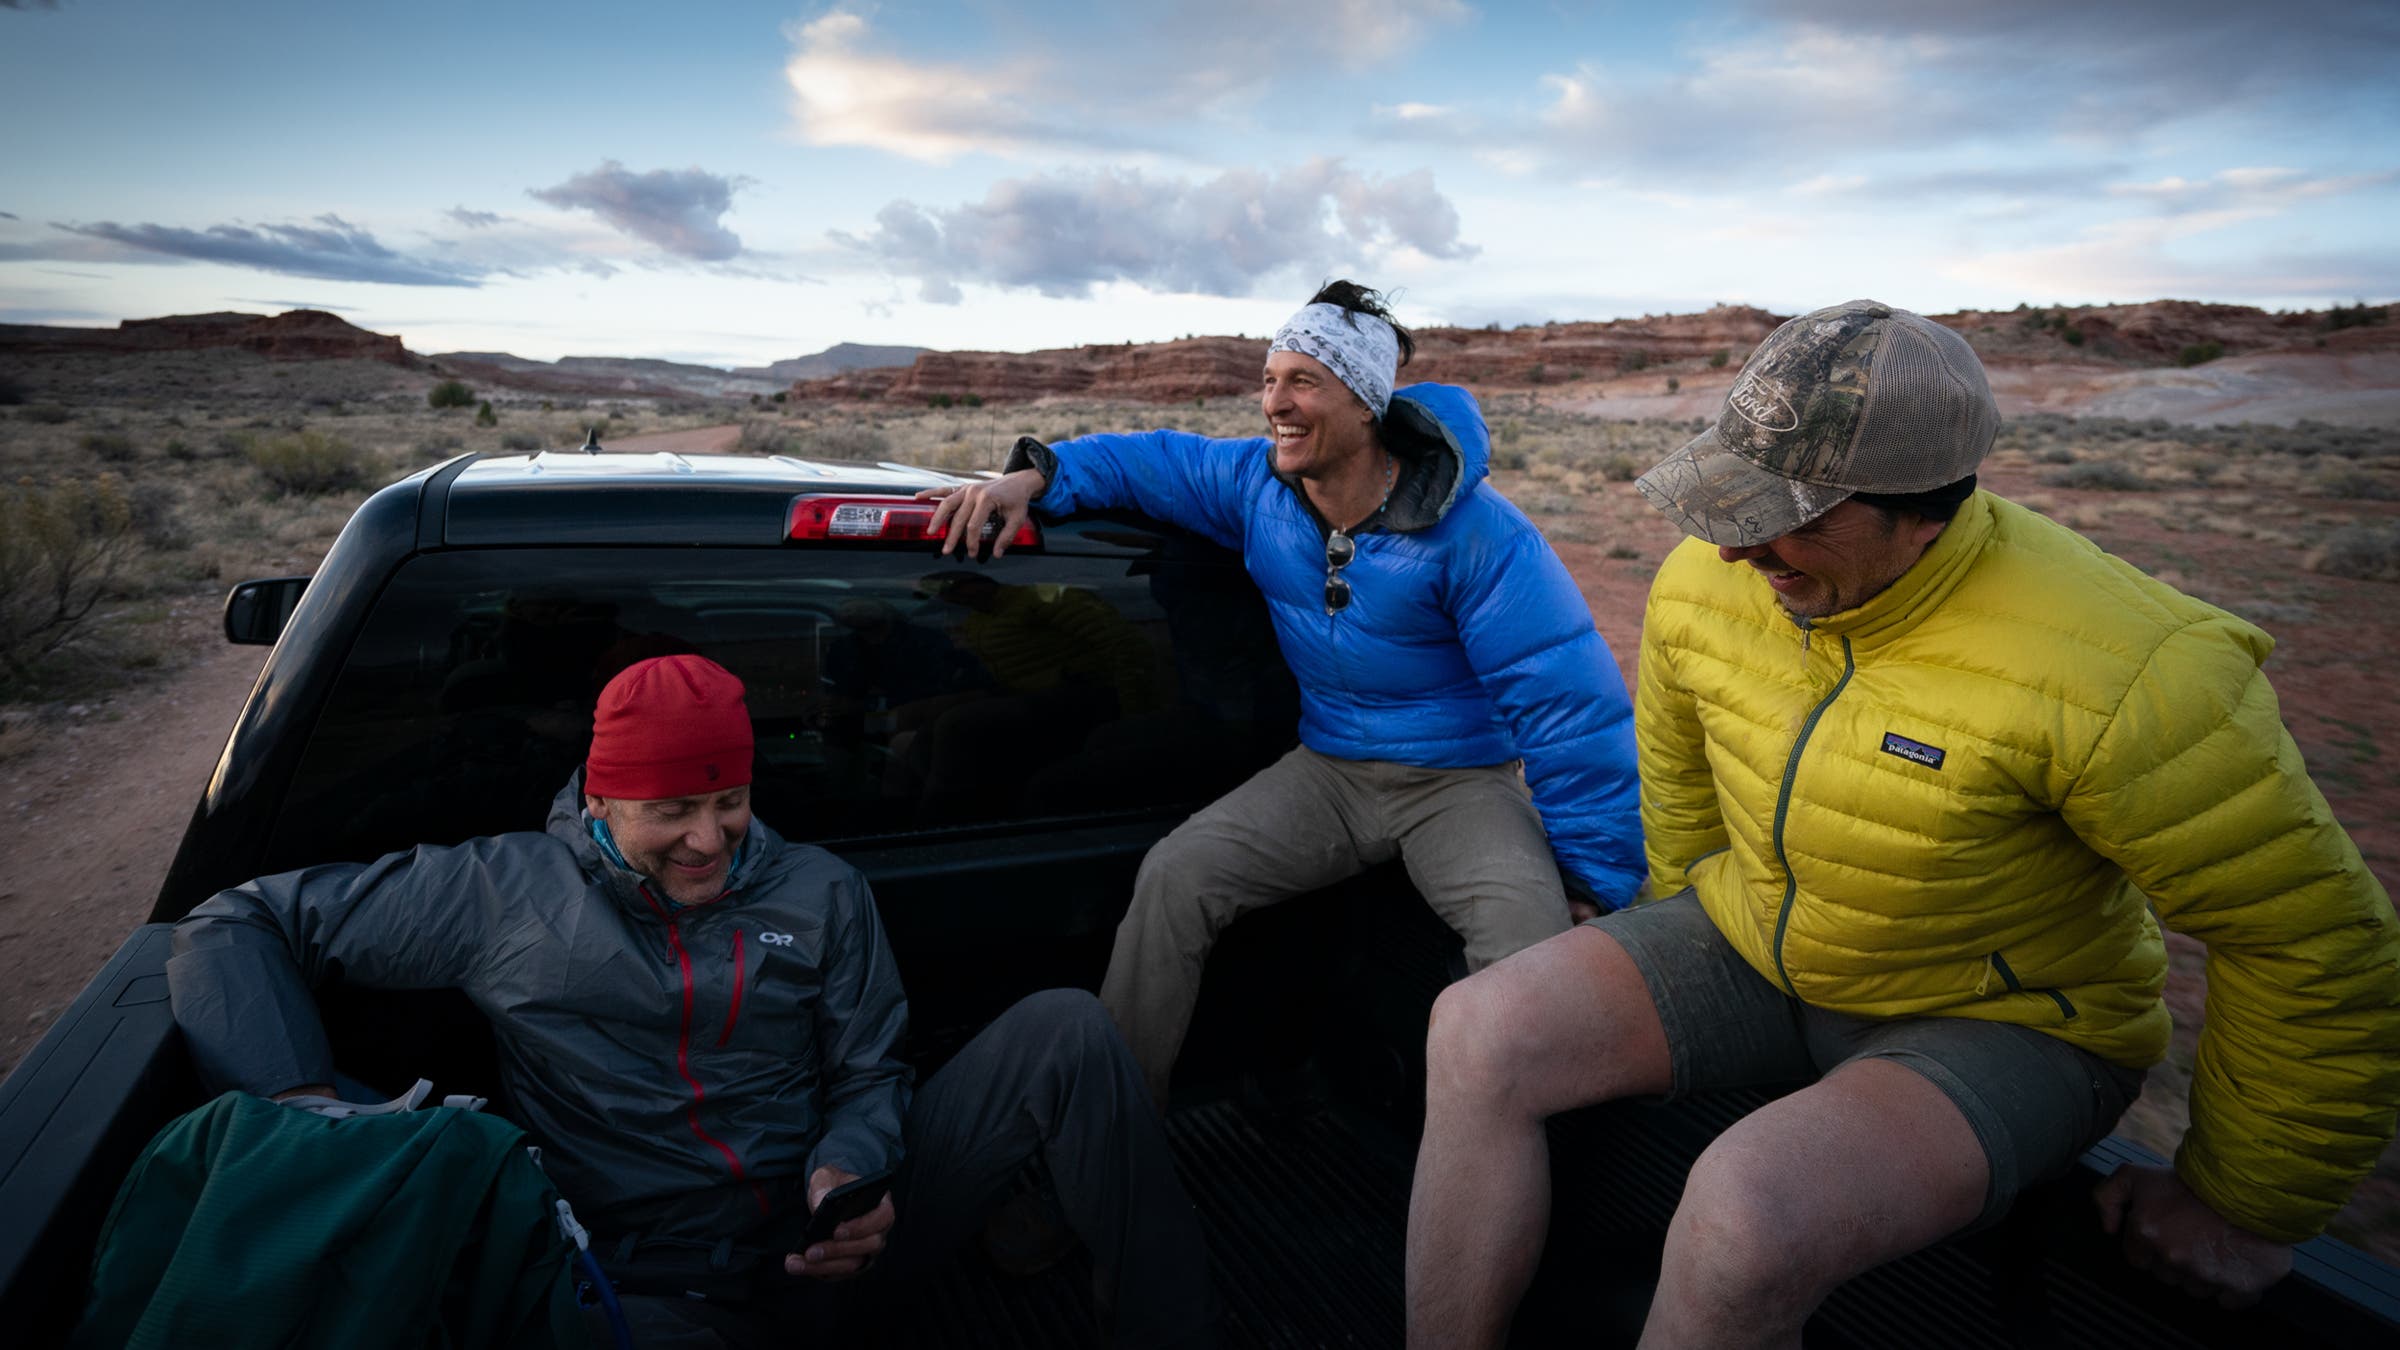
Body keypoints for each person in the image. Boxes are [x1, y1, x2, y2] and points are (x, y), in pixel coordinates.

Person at [1406, 299, 2400, 1348]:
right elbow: (1682, 782)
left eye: (1793, 516)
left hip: (2001, 1021)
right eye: (1730, 499)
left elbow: (2306, 940)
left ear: (1928, 509)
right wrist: (1669, 937)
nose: (1742, 548)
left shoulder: (2132, 672)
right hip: (1755, 945)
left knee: (1745, 1213)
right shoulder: (1708, 575)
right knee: (1476, 1030)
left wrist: (2244, 1200)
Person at [167, 653, 1212, 1349]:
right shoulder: (500, 892)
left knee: (1067, 1029)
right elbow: (235, 922)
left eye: (730, 802)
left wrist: (855, 1164)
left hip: (832, 1238)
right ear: (601, 797)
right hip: (642, 1279)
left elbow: (870, 1070)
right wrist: (304, 1111)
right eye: (671, 811)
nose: (710, 840)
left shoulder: (819, 891)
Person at [923, 280, 1645, 1105]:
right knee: (1176, 876)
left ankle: (1512, 1154)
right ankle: (1114, 1127)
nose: (1277, 404)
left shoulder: (1477, 532)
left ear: (1366, 403)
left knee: (1533, 944)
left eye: (1303, 381)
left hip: (1455, 783)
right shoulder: (1257, 486)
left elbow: (1567, 705)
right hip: (1329, 770)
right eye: (1270, 380)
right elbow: (1144, 460)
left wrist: (1593, 879)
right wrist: (1035, 476)